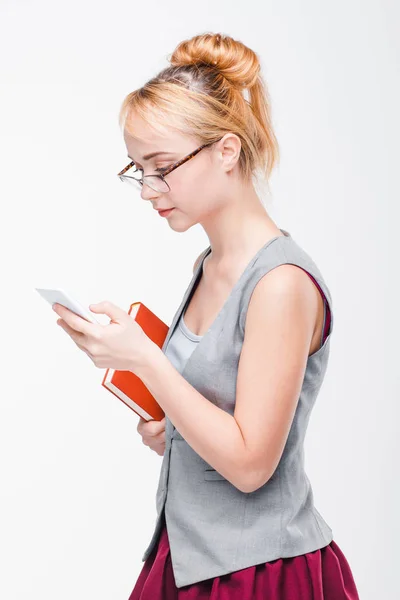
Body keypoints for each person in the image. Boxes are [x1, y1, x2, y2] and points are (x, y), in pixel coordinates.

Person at [118, 32, 360, 600]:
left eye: (161, 166)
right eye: (137, 169)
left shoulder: (279, 283)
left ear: (227, 151)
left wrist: (148, 364)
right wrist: (171, 432)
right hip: (189, 555)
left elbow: (252, 464)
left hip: (258, 575)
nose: (150, 188)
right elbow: (223, 416)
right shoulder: (212, 263)